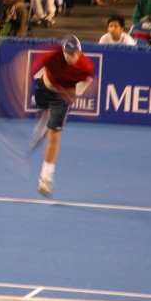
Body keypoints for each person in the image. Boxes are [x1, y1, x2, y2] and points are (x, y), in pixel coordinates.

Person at [31, 35, 94, 197]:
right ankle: (45, 117)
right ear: (63, 51)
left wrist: (70, 95)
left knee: (54, 135)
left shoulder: (86, 67)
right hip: (43, 89)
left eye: (74, 53)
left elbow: (84, 85)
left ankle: (45, 178)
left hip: (60, 99)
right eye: (67, 53)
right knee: (42, 109)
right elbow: (25, 66)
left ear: (80, 52)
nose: (70, 56)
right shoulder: (52, 57)